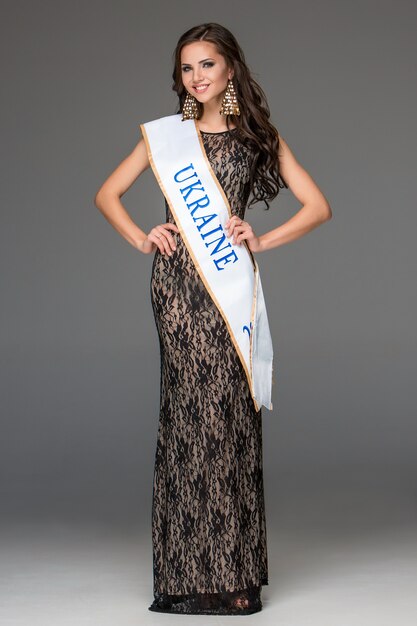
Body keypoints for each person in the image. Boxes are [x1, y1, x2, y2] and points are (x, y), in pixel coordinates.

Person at [94, 22, 332, 616]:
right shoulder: (166, 137)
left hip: (227, 287)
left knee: (229, 420)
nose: (196, 77)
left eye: (207, 65)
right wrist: (143, 236)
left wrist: (263, 239)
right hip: (177, 291)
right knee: (186, 420)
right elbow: (107, 194)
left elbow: (318, 206)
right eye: (186, 68)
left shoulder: (258, 139)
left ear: (230, 69)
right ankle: (184, 579)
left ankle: (234, 573)